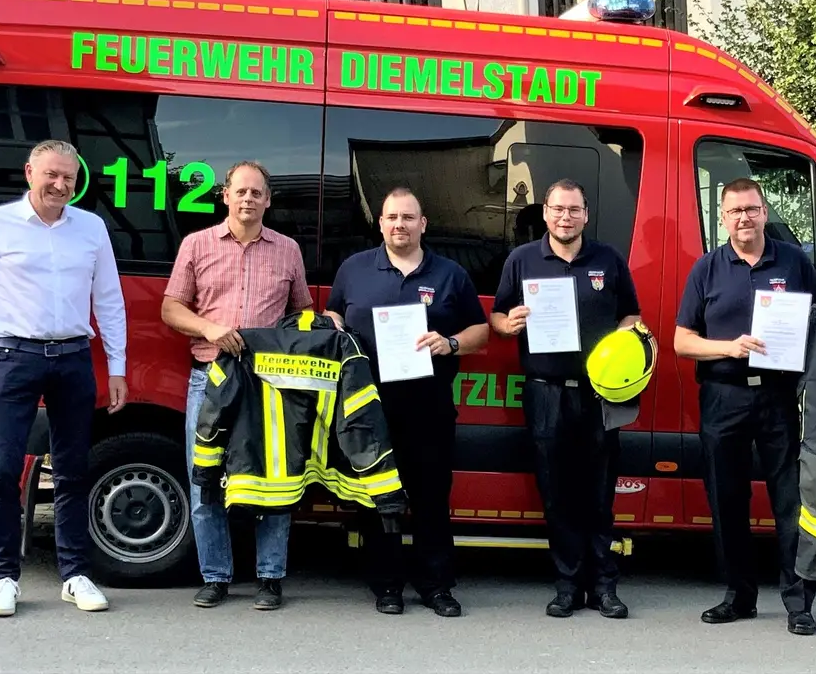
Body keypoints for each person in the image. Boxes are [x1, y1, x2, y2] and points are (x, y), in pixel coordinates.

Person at [0, 139, 128, 617]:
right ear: (29, 171)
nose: (59, 184)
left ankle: (74, 575)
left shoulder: (90, 228)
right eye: (51, 174)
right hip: (13, 358)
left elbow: (109, 301)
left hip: (74, 358)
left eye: (68, 178)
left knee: (74, 471)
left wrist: (117, 367)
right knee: (3, 470)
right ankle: (5, 579)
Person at [325, 187, 490, 617]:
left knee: (432, 499)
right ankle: (387, 586)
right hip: (368, 409)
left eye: (408, 217)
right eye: (392, 217)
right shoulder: (354, 269)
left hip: (429, 407)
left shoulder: (450, 274)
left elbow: (481, 331)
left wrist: (451, 342)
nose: (400, 225)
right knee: (379, 498)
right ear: (380, 223)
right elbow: (335, 317)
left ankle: (436, 587)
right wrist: (333, 324)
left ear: (423, 224)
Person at [673, 177, 816, 636]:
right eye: (735, 211)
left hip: (779, 397)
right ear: (722, 218)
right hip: (724, 396)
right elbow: (682, 341)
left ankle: (799, 603)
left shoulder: (794, 262)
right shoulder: (706, 269)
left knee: (789, 503)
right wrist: (728, 347)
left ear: (765, 212)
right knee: (727, 499)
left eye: (752, 209)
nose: (744, 218)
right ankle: (738, 597)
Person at [162, 160, 313, 611]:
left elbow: (302, 311)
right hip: (209, 379)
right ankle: (215, 576)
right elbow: (171, 308)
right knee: (204, 480)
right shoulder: (196, 244)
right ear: (224, 195)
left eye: (257, 193)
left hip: (269, 385)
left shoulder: (288, 250)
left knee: (274, 482)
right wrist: (209, 329)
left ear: (269, 200)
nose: (248, 199)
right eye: (240, 191)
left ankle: (269, 577)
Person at [492, 179, 643, 619]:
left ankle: (604, 587)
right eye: (558, 209)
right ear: (545, 214)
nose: (565, 217)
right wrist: (510, 324)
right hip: (546, 394)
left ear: (585, 215)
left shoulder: (608, 260)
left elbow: (631, 313)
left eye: (574, 210)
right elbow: (497, 316)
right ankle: (566, 587)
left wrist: (623, 335)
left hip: (601, 396)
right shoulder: (521, 260)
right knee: (556, 494)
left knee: (599, 494)